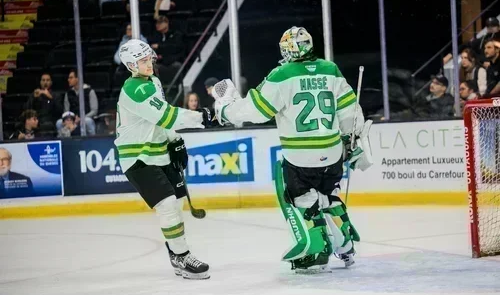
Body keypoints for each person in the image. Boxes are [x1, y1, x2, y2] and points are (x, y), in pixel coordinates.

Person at [211, 27, 373, 271]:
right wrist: (353, 141)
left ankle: (315, 252)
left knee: (300, 197)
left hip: (300, 156)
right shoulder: (331, 69)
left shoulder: (281, 75)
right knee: (328, 193)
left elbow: (256, 111)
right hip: (332, 152)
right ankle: (346, 245)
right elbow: (349, 113)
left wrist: (225, 110)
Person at [114, 39, 212, 279]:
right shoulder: (134, 89)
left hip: (158, 152)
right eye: (143, 61)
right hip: (137, 158)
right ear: (130, 64)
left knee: (173, 204)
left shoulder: (153, 82)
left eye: (150, 59)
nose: (149, 64)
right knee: (167, 205)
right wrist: (203, 117)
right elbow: (167, 116)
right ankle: (181, 255)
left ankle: (176, 253)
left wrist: (175, 141)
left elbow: (161, 121)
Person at [56, 70, 99, 136]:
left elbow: (94, 111)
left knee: (87, 121)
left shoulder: (90, 91)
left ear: (78, 78)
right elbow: (66, 110)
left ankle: (92, 141)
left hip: (85, 117)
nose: (68, 80)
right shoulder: (68, 93)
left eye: (71, 78)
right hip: (72, 119)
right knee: (59, 123)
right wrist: (70, 119)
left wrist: (81, 118)